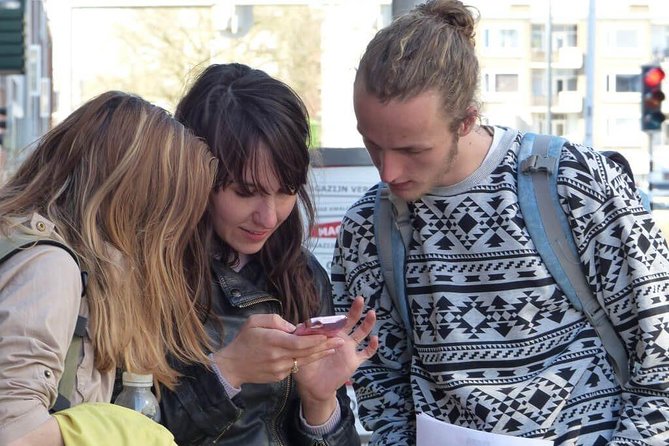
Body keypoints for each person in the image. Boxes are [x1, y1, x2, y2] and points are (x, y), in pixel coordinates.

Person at [331, 1, 669, 445]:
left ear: (466, 121)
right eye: (372, 144)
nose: (388, 171)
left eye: (412, 150)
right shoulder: (366, 228)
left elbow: (660, 352)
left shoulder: (574, 182)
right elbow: (380, 389)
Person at [158, 62, 379, 445]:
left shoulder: (304, 275)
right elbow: (112, 427)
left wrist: (321, 404)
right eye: (245, 192)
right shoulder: (147, 272)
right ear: (194, 174)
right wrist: (226, 373)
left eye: (286, 190)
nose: (269, 215)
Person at [0, 91, 218, 445]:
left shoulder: (23, 238)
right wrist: (123, 432)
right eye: (173, 214)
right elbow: (14, 434)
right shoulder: (50, 267)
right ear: (139, 203)